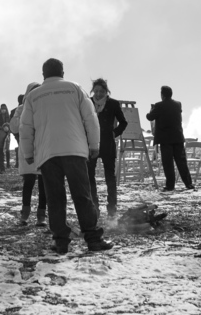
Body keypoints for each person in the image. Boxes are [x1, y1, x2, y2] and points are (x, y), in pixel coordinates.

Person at [19, 58, 112, 254]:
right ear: (62, 72)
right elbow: (90, 118)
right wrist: (94, 144)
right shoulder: (75, 88)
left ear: (43, 74)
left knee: (55, 198)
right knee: (82, 196)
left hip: (47, 153)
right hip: (75, 150)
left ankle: (61, 242)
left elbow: (25, 127)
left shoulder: (33, 96)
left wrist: (28, 152)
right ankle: (93, 239)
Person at [88, 78, 128, 216]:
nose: (98, 94)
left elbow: (123, 122)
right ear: (93, 91)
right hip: (91, 144)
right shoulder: (88, 103)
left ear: (106, 91)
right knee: (89, 176)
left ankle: (112, 209)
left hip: (108, 144)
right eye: (96, 91)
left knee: (110, 177)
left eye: (101, 91)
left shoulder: (113, 104)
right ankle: (94, 207)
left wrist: (114, 133)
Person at [10, 82, 46, 225]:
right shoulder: (21, 109)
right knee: (28, 184)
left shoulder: (45, 107)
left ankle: (41, 215)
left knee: (44, 185)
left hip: (43, 150)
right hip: (28, 151)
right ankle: (24, 214)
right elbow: (14, 127)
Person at [146, 85, 194, 191]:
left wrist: (151, 110)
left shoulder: (159, 105)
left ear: (162, 95)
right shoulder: (178, 104)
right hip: (177, 137)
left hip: (165, 139)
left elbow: (150, 117)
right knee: (181, 162)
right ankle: (189, 184)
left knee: (168, 163)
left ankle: (170, 185)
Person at [0, 103, 13, 168]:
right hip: (0, 135)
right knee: (0, 149)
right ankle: (0, 163)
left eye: (4, 108)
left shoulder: (9, 117)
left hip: (7, 134)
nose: (3, 110)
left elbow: (11, 125)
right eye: (2, 108)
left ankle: (8, 163)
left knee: (7, 149)